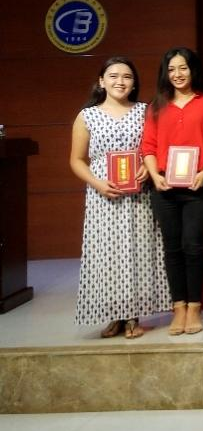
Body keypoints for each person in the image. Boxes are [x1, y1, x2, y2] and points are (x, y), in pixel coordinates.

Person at [69, 57, 169, 339]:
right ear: (101, 81)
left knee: (137, 251)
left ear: (134, 83)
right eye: (113, 76)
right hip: (103, 195)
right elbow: (76, 160)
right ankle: (114, 315)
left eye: (126, 77)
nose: (120, 82)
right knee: (107, 254)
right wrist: (97, 184)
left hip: (138, 195)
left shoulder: (145, 111)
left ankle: (133, 315)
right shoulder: (87, 116)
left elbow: (155, 148)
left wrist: (147, 168)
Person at [140, 47, 203, 335]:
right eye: (172, 69)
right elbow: (148, 146)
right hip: (163, 187)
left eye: (183, 68)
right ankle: (179, 308)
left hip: (198, 185)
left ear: (193, 70)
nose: (177, 74)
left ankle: (195, 307)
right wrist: (154, 175)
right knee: (172, 247)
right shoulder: (156, 106)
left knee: (193, 245)